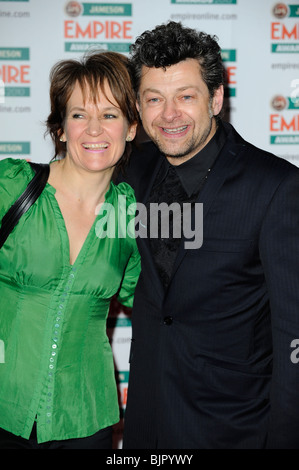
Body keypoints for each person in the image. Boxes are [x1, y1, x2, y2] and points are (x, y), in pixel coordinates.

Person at [119, 21, 299, 449]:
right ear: (139, 109)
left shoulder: (275, 187)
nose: (169, 114)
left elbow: (293, 332)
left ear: (215, 99)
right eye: (154, 99)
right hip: (145, 427)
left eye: (186, 96)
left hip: (234, 430)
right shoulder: (129, 171)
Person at [0, 50, 140, 449]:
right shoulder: (12, 186)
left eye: (110, 115)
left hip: (86, 418)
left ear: (131, 128)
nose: (94, 129)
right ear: (61, 128)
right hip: (4, 407)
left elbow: (154, 303)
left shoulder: (130, 214)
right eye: (79, 115)